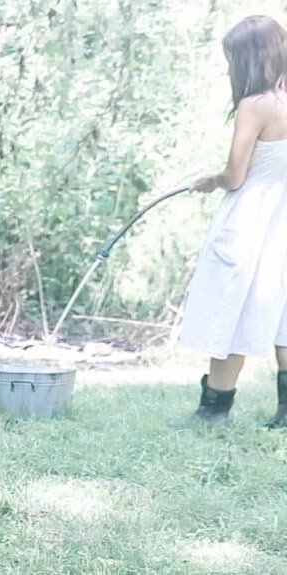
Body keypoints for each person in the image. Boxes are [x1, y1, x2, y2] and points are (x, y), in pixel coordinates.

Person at [179, 15, 287, 428]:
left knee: (233, 306)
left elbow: (236, 174)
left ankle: (214, 410)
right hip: (283, 219)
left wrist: (211, 181)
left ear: (248, 59)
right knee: (282, 315)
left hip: (252, 219)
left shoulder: (254, 105)